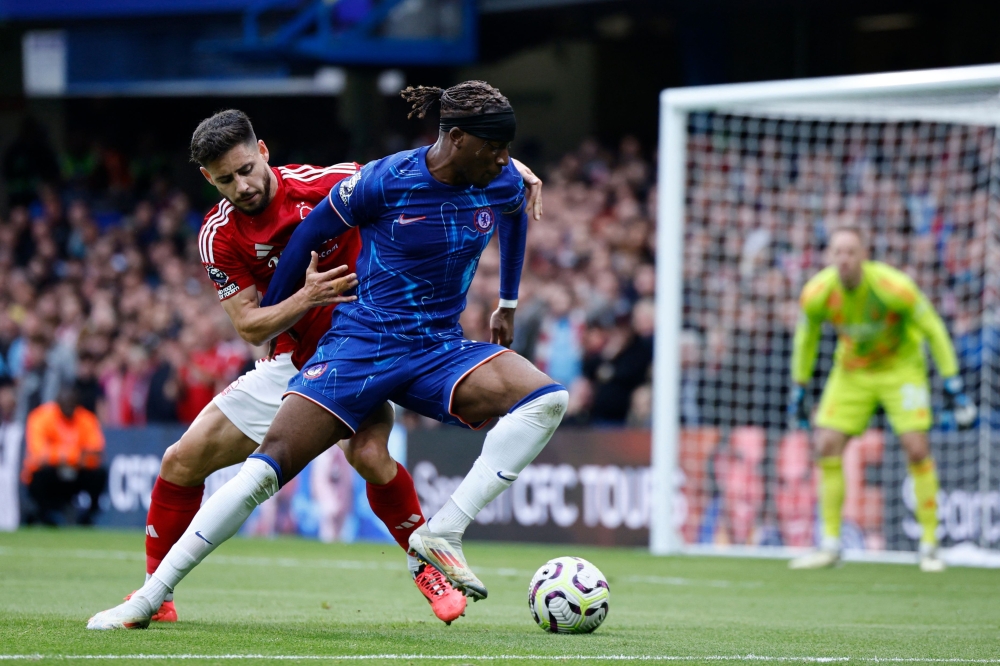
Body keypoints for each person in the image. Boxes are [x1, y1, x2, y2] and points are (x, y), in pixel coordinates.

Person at [88, 80, 566, 630]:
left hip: (408, 346)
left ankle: (434, 551)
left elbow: (442, 157)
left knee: (382, 452)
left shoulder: (332, 182)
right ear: (208, 180)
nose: (242, 186)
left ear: (263, 151)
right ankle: (153, 595)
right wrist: (305, 297)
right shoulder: (218, 235)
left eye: (247, 169)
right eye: (226, 180)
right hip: (312, 359)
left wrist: (509, 165)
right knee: (188, 461)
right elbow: (251, 326)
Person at [787, 225, 976, 572]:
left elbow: (933, 327)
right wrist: (799, 386)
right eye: (837, 252)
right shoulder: (817, 293)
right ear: (830, 257)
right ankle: (830, 543)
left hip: (900, 367)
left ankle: (929, 545)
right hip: (852, 371)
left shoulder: (893, 287)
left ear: (864, 256)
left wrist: (951, 381)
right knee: (826, 443)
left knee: (916, 447)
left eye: (850, 252)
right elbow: (806, 340)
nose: (843, 259)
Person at [21, 383, 107, 526]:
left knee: (99, 474)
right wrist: (76, 454)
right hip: (50, 474)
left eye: (72, 404)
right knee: (40, 474)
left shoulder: (86, 419)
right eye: (64, 404)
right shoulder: (40, 417)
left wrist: (59, 454)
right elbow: (39, 455)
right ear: (57, 403)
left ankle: (88, 516)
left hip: (76, 473)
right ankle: (43, 515)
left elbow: (96, 453)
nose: (68, 408)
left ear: (77, 404)